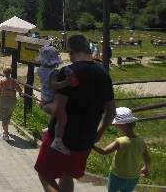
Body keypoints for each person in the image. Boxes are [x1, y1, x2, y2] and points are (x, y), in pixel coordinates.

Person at [35, 34, 116, 192]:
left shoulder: (68, 71)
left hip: (60, 138)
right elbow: (111, 111)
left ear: (71, 51)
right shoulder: (103, 73)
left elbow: (58, 109)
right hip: (85, 139)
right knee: (67, 175)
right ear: (87, 49)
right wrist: (98, 135)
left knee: (44, 174)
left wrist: (44, 106)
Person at [93, 107, 151, 192]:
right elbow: (147, 157)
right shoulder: (141, 141)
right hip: (133, 177)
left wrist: (91, 145)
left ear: (121, 125)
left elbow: (104, 151)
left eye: (116, 124)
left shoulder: (120, 141)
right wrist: (146, 168)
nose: (115, 125)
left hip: (117, 176)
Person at [37, 45, 73, 155]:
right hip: (51, 100)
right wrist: (66, 82)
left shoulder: (40, 69)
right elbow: (54, 85)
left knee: (57, 118)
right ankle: (57, 140)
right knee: (63, 118)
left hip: (44, 99)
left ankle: (48, 130)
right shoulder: (54, 72)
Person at [0, 66, 23, 140]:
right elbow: (20, 90)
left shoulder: (1, 81)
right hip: (12, 101)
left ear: (3, 72)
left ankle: (6, 134)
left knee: (3, 118)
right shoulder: (14, 81)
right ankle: (6, 130)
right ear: (10, 73)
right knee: (8, 116)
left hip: (2, 100)